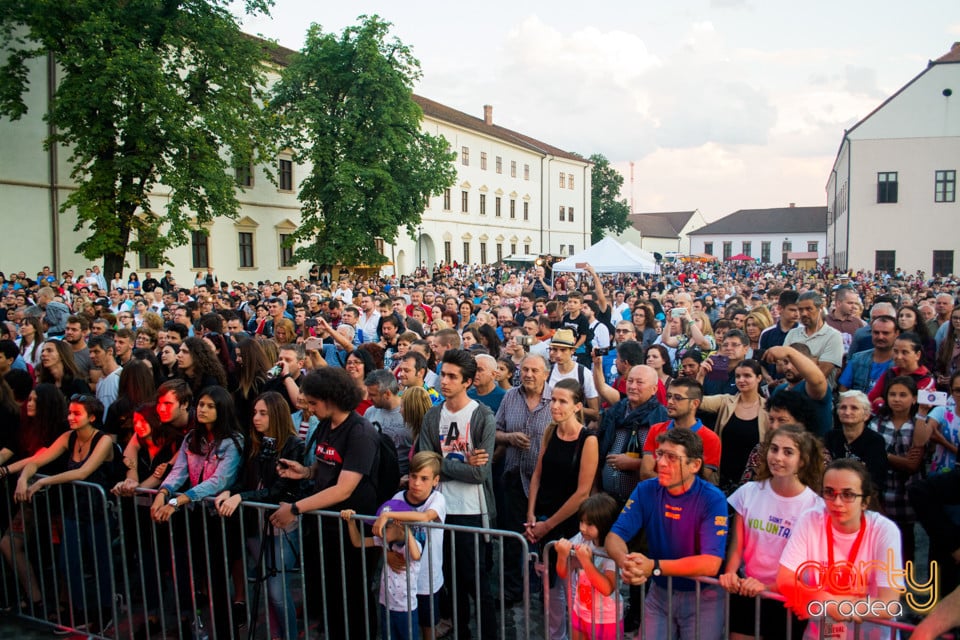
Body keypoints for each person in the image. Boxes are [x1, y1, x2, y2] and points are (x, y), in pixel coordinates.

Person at [269, 367, 381, 640]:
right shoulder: (324, 425)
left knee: (353, 597)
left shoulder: (360, 432)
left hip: (351, 529)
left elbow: (344, 488)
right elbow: (327, 464)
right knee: (329, 594)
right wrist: (305, 472)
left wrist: (295, 508)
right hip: (324, 527)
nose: (310, 408)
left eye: (314, 403)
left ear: (331, 399)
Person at [605, 428, 729, 640]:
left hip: (703, 596)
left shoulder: (712, 498)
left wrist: (653, 566)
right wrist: (627, 563)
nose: (660, 463)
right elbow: (615, 536)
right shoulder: (646, 489)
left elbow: (711, 563)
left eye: (672, 457)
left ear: (695, 465)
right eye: (660, 454)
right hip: (660, 592)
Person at [13, 394, 116, 634]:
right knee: (68, 563)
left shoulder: (103, 441)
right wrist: (24, 478)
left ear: (92, 417)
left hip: (99, 511)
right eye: (69, 412)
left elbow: (83, 473)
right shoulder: (69, 437)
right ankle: (80, 613)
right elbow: (38, 460)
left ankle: (105, 614)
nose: (70, 417)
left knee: (100, 565)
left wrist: (42, 483)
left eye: (76, 413)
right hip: (74, 511)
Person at [152, 386, 244, 638]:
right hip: (193, 516)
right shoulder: (191, 438)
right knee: (191, 578)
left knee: (216, 582)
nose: (202, 410)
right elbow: (179, 471)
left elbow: (219, 481)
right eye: (201, 405)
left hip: (219, 519)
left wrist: (178, 500)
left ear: (222, 409)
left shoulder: (233, 441)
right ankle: (197, 628)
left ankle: (226, 633)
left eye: (210, 406)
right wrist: (162, 493)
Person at [417, 348, 497, 640]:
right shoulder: (432, 415)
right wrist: (454, 463)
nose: (444, 382)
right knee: (451, 583)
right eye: (443, 374)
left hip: (472, 510)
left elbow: (480, 474)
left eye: (452, 377)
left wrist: (441, 464)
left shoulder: (482, 416)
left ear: (467, 381)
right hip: (439, 507)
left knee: (477, 584)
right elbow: (425, 463)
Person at [777, 459, 903, 640]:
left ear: (865, 501)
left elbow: (889, 604)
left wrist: (840, 606)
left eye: (848, 494)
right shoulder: (811, 520)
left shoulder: (884, 530)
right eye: (829, 492)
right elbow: (784, 579)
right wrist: (826, 601)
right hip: (820, 634)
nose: (837, 502)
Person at [720, 424, 825, 640]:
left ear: (802, 460)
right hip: (746, 589)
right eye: (774, 449)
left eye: (788, 452)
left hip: (786, 597)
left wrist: (768, 587)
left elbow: (809, 567)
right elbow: (738, 544)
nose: (777, 457)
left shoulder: (816, 507)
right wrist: (731, 572)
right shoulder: (749, 492)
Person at [215, 391, 305, 640]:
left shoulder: (293, 445)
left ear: (276, 414)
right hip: (255, 525)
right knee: (268, 585)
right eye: (255, 412)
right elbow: (245, 481)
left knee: (277, 589)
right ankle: (277, 633)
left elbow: (279, 490)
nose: (256, 418)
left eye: (263, 413)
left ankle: (288, 635)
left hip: (281, 526)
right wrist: (229, 491)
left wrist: (240, 498)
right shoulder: (255, 444)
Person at [525, 378, 599, 640]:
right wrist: (531, 515)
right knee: (550, 592)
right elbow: (537, 475)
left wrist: (548, 524)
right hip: (543, 520)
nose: (554, 406)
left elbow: (582, 492)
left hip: (570, 526)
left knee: (574, 591)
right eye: (553, 400)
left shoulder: (588, 440)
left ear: (577, 406)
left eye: (562, 401)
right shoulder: (550, 432)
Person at [0, 385, 68, 615]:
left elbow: (38, 457)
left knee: (61, 554)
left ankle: (62, 605)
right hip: (32, 501)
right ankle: (35, 598)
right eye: (28, 399)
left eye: (35, 400)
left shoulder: (61, 428)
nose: (29, 403)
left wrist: (7, 471)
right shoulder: (26, 426)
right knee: (9, 544)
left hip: (57, 502)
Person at [869, 375, 930, 564]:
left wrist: (882, 455)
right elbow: (872, 455)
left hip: (907, 495)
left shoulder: (918, 424)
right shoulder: (877, 422)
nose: (896, 399)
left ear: (914, 398)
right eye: (892, 394)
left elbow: (914, 462)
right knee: (880, 544)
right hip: (882, 491)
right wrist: (897, 460)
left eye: (903, 395)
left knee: (906, 544)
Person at [554, 493, 623, 640]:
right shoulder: (581, 538)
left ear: (604, 524)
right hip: (580, 611)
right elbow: (564, 573)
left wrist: (586, 562)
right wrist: (561, 555)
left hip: (606, 617)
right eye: (581, 522)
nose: (583, 528)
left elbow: (607, 588)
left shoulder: (613, 550)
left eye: (589, 524)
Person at [697, 359, 769, 493]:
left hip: (753, 482)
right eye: (738, 376)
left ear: (759, 378)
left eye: (747, 376)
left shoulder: (769, 408)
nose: (741, 380)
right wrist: (700, 376)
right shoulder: (726, 401)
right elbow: (697, 401)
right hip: (723, 477)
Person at [641, 377, 721, 485]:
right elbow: (645, 473)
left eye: (677, 398)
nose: (669, 402)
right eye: (669, 396)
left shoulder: (711, 439)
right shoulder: (656, 430)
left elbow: (697, 482)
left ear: (695, 403)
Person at [824, 390, 889, 497]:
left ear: (866, 415)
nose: (847, 412)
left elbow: (876, 480)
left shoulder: (875, 441)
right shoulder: (830, 437)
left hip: (862, 496)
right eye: (843, 407)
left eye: (854, 408)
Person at [784, 291, 845, 385]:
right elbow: (781, 366)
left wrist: (794, 360)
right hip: (790, 392)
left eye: (809, 309)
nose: (804, 313)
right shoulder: (793, 333)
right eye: (800, 310)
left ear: (820, 308)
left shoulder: (833, 336)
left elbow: (820, 375)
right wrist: (812, 361)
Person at [867, 332, 934, 411]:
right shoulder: (890, 373)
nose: (898, 357)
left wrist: (879, 403)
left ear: (917, 355)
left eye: (904, 352)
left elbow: (911, 409)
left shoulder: (925, 379)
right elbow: (869, 400)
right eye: (895, 351)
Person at [365, 369, 412, 475]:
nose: (368, 398)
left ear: (387, 394)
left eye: (372, 394)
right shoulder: (370, 412)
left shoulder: (409, 412)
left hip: (402, 478)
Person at [838, 315, 898, 393]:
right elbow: (844, 387)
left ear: (896, 334)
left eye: (885, 333)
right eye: (876, 332)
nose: (880, 337)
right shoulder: (857, 359)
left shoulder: (900, 363)